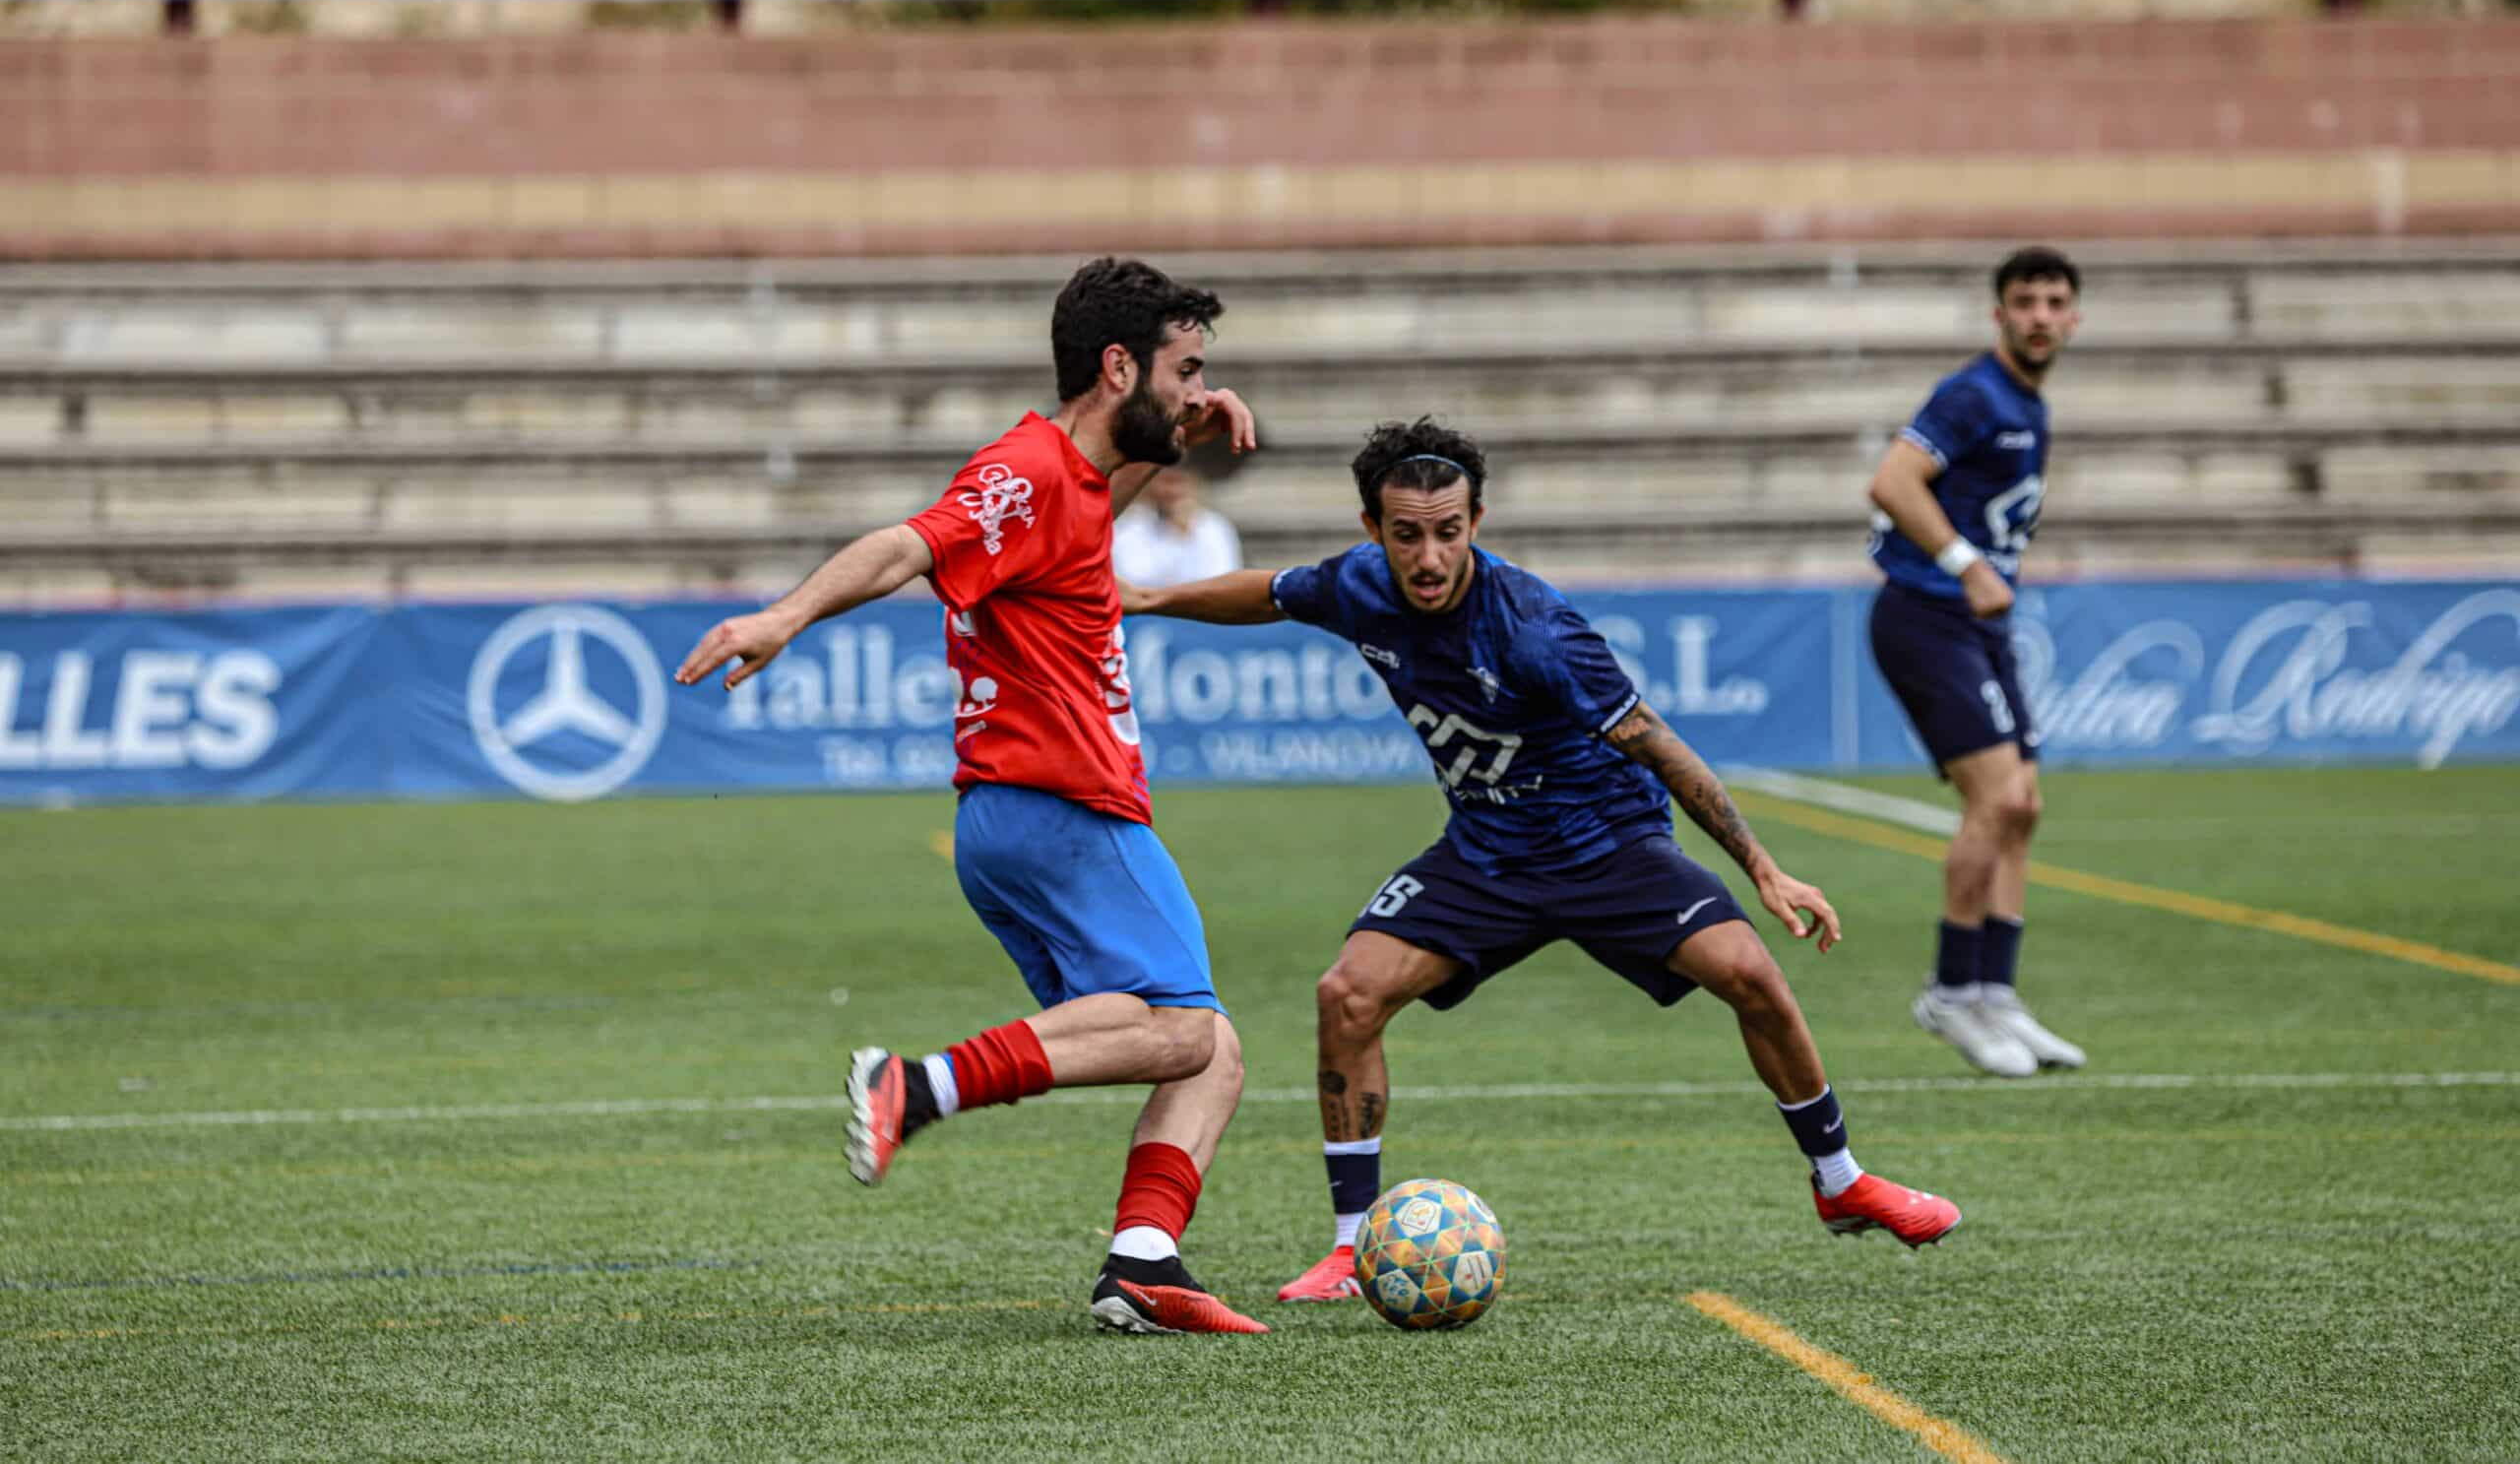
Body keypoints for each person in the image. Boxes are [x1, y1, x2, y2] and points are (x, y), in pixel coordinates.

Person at [1122, 417, 1963, 1305]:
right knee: (1348, 996)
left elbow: (1658, 744)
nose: (1429, 557)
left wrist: (1763, 868)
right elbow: (1269, 594)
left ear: (1476, 522)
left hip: (1608, 846)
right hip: (1486, 854)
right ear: (1374, 529)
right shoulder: (1359, 584)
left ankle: (1841, 1181)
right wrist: (1147, 599)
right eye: (1407, 535)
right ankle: (1349, 1247)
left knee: (1750, 973)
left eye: (1449, 532)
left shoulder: (1534, 631)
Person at [676, 258, 1270, 1336]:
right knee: (1185, 1029)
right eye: (1184, 370)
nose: (1200, 389)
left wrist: (1170, 438)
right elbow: (911, 542)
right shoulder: (1026, 468)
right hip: (1063, 808)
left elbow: (1078, 512)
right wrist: (784, 614)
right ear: (1118, 365)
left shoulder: (1074, 483)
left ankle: (1142, 1259)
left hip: (1018, 818)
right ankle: (917, 1085)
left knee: (1208, 1047)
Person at [1863, 245, 2088, 1079]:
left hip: (1978, 625)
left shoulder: (2028, 403)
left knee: (2022, 807)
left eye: (2054, 302)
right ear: (2000, 315)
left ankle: (1996, 992)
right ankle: (1953, 992)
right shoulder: (1974, 394)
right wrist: (1965, 564)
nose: (2040, 316)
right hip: (1926, 617)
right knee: (1995, 801)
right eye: (2025, 301)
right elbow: (1893, 481)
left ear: (2073, 318)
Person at [1113, 465, 1243, 587]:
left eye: (1178, 483)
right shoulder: (1131, 526)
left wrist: (1184, 535)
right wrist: (1175, 536)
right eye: (1166, 482)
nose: (1172, 491)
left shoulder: (1215, 526)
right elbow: (1132, 577)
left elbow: (1223, 576)